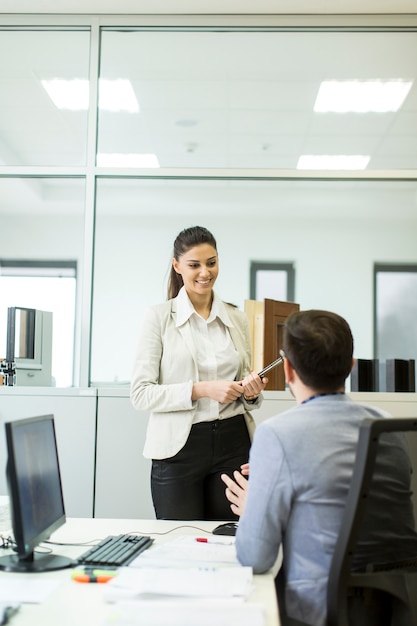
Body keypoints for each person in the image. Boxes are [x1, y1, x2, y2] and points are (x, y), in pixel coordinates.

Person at [221, 309, 417, 626]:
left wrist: (253, 508)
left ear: (287, 369)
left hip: (316, 609)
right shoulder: (388, 427)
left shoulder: (277, 434)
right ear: (351, 367)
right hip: (397, 603)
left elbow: (255, 558)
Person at [130, 225, 267, 521]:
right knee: (179, 541)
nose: (205, 272)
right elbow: (140, 394)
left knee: (230, 540)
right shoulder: (158, 317)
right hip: (179, 449)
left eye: (211, 262)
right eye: (194, 265)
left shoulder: (236, 318)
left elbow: (245, 387)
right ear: (177, 266)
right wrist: (202, 389)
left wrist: (251, 390)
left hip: (234, 441)